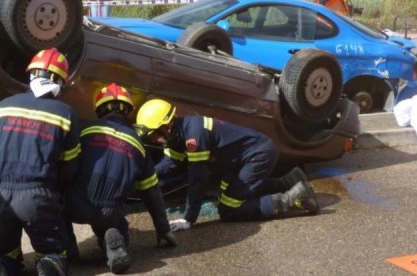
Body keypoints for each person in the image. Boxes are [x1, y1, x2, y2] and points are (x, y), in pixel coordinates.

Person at [0, 48, 80, 276]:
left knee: (5, 251)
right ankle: (49, 263)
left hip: (0, 196)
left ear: (31, 75)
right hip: (40, 197)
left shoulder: (4, 106)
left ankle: (4, 263)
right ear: (60, 81)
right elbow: (70, 167)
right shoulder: (65, 114)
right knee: (52, 251)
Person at [135, 99, 319, 231]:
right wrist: (141, 175)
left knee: (229, 209)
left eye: (153, 134)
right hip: (243, 159)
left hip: (257, 155)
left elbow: (198, 179)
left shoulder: (194, 137)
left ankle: (294, 199)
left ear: (166, 127)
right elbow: (169, 165)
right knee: (228, 194)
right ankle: (289, 181)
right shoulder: (178, 135)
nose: (153, 139)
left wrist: (188, 218)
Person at [66, 83, 177, 274]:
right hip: (110, 210)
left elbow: (66, 165)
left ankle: (66, 247)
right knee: (114, 223)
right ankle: (114, 239)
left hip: (75, 205)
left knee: (53, 208)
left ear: (98, 109)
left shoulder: (84, 130)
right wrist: (162, 228)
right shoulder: (137, 144)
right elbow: (152, 192)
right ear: (128, 112)